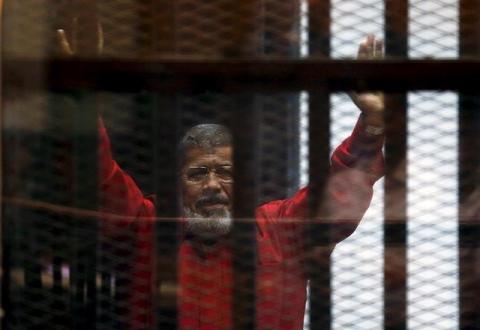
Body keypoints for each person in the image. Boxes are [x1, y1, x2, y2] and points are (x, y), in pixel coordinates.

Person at [59, 27, 385, 329]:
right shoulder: (148, 227)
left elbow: (338, 194)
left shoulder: (281, 231)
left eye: (226, 173)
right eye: (198, 173)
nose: (213, 185)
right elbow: (99, 180)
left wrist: (372, 121)